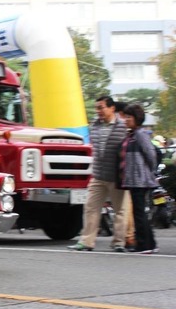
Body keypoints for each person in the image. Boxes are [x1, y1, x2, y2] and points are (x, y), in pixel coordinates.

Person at [68, 96, 128, 252]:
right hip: (98, 175)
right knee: (90, 207)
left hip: (116, 176)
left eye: (101, 107)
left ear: (112, 108)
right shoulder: (94, 125)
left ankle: (119, 242)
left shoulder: (123, 126)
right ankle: (87, 241)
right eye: (97, 108)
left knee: (120, 210)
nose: (98, 111)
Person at [120, 104, 158, 254]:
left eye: (129, 117)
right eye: (126, 116)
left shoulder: (140, 135)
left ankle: (143, 245)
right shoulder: (133, 135)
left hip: (140, 180)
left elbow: (151, 155)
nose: (126, 120)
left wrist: (150, 172)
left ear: (136, 119)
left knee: (139, 213)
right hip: (135, 180)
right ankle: (151, 243)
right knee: (140, 212)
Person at [115, 101, 135, 250]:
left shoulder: (126, 131)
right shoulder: (127, 131)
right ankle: (129, 237)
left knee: (126, 207)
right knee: (128, 207)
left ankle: (129, 237)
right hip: (126, 175)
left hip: (128, 175)